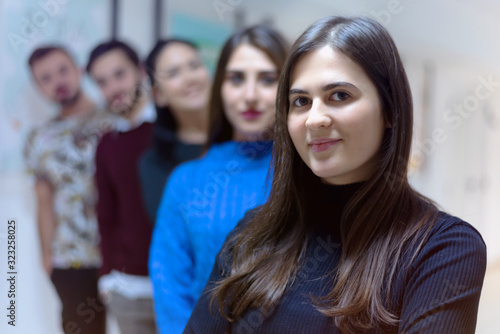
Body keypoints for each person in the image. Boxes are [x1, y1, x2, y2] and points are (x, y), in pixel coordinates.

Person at [184, 16, 487, 333]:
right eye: (300, 101)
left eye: (340, 95)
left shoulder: (443, 250)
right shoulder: (252, 235)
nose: (314, 119)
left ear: (390, 111)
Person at [149, 25, 289, 334]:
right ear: (220, 87)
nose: (250, 96)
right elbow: (170, 285)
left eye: (267, 79)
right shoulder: (186, 181)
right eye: (236, 78)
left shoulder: (309, 170)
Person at [24, 45, 109, 334]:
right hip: (70, 258)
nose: (57, 81)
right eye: (45, 78)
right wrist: (46, 256)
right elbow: (43, 201)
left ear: (78, 69)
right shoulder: (38, 138)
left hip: (120, 251)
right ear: (38, 87)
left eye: (63, 70)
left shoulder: (113, 121)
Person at [86, 40, 156, 334]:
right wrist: (107, 277)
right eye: (102, 82)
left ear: (140, 71)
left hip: (182, 286)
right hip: (128, 291)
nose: (113, 88)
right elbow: (106, 214)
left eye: (119, 75)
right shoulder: (106, 144)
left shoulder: (173, 129)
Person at [139, 39, 211, 223]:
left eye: (194, 66)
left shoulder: (244, 136)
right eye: (173, 73)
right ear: (158, 95)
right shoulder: (155, 163)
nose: (190, 78)